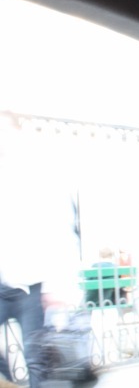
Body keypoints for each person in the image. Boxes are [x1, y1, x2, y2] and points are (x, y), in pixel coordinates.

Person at [0, 114, 81, 387]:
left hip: (35, 285)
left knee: (37, 359)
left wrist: (57, 286)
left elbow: (63, 230)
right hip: (4, 282)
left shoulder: (39, 174)